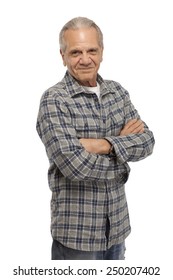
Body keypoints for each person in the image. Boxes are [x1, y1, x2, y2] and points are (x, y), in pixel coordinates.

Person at [36, 17, 155, 260]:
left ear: (101, 52)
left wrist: (103, 144)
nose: (85, 59)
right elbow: (74, 166)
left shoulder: (117, 92)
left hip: (117, 230)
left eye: (92, 50)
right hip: (77, 237)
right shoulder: (54, 100)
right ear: (63, 55)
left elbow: (147, 141)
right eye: (76, 52)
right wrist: (122, 157)